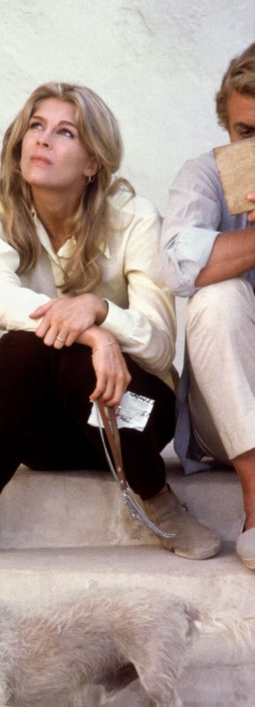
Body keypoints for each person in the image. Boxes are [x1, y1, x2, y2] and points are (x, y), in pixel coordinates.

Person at [0, 82, 221, 560]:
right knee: (25, 346)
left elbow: (160, 346)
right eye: (36, 126)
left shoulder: (134, 218)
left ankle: (160, 502)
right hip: (44, 435)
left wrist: (100, 308)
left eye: (65, 132)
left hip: (137, 419)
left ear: (92, 163)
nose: (42, 138)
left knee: (57, 352)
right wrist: (96, 335)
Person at [160, 43, 255, 571]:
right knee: (216, 296)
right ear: (227, 129)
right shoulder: (205, 174)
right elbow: (178, 269)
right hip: (226, 416)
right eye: (247, 133)